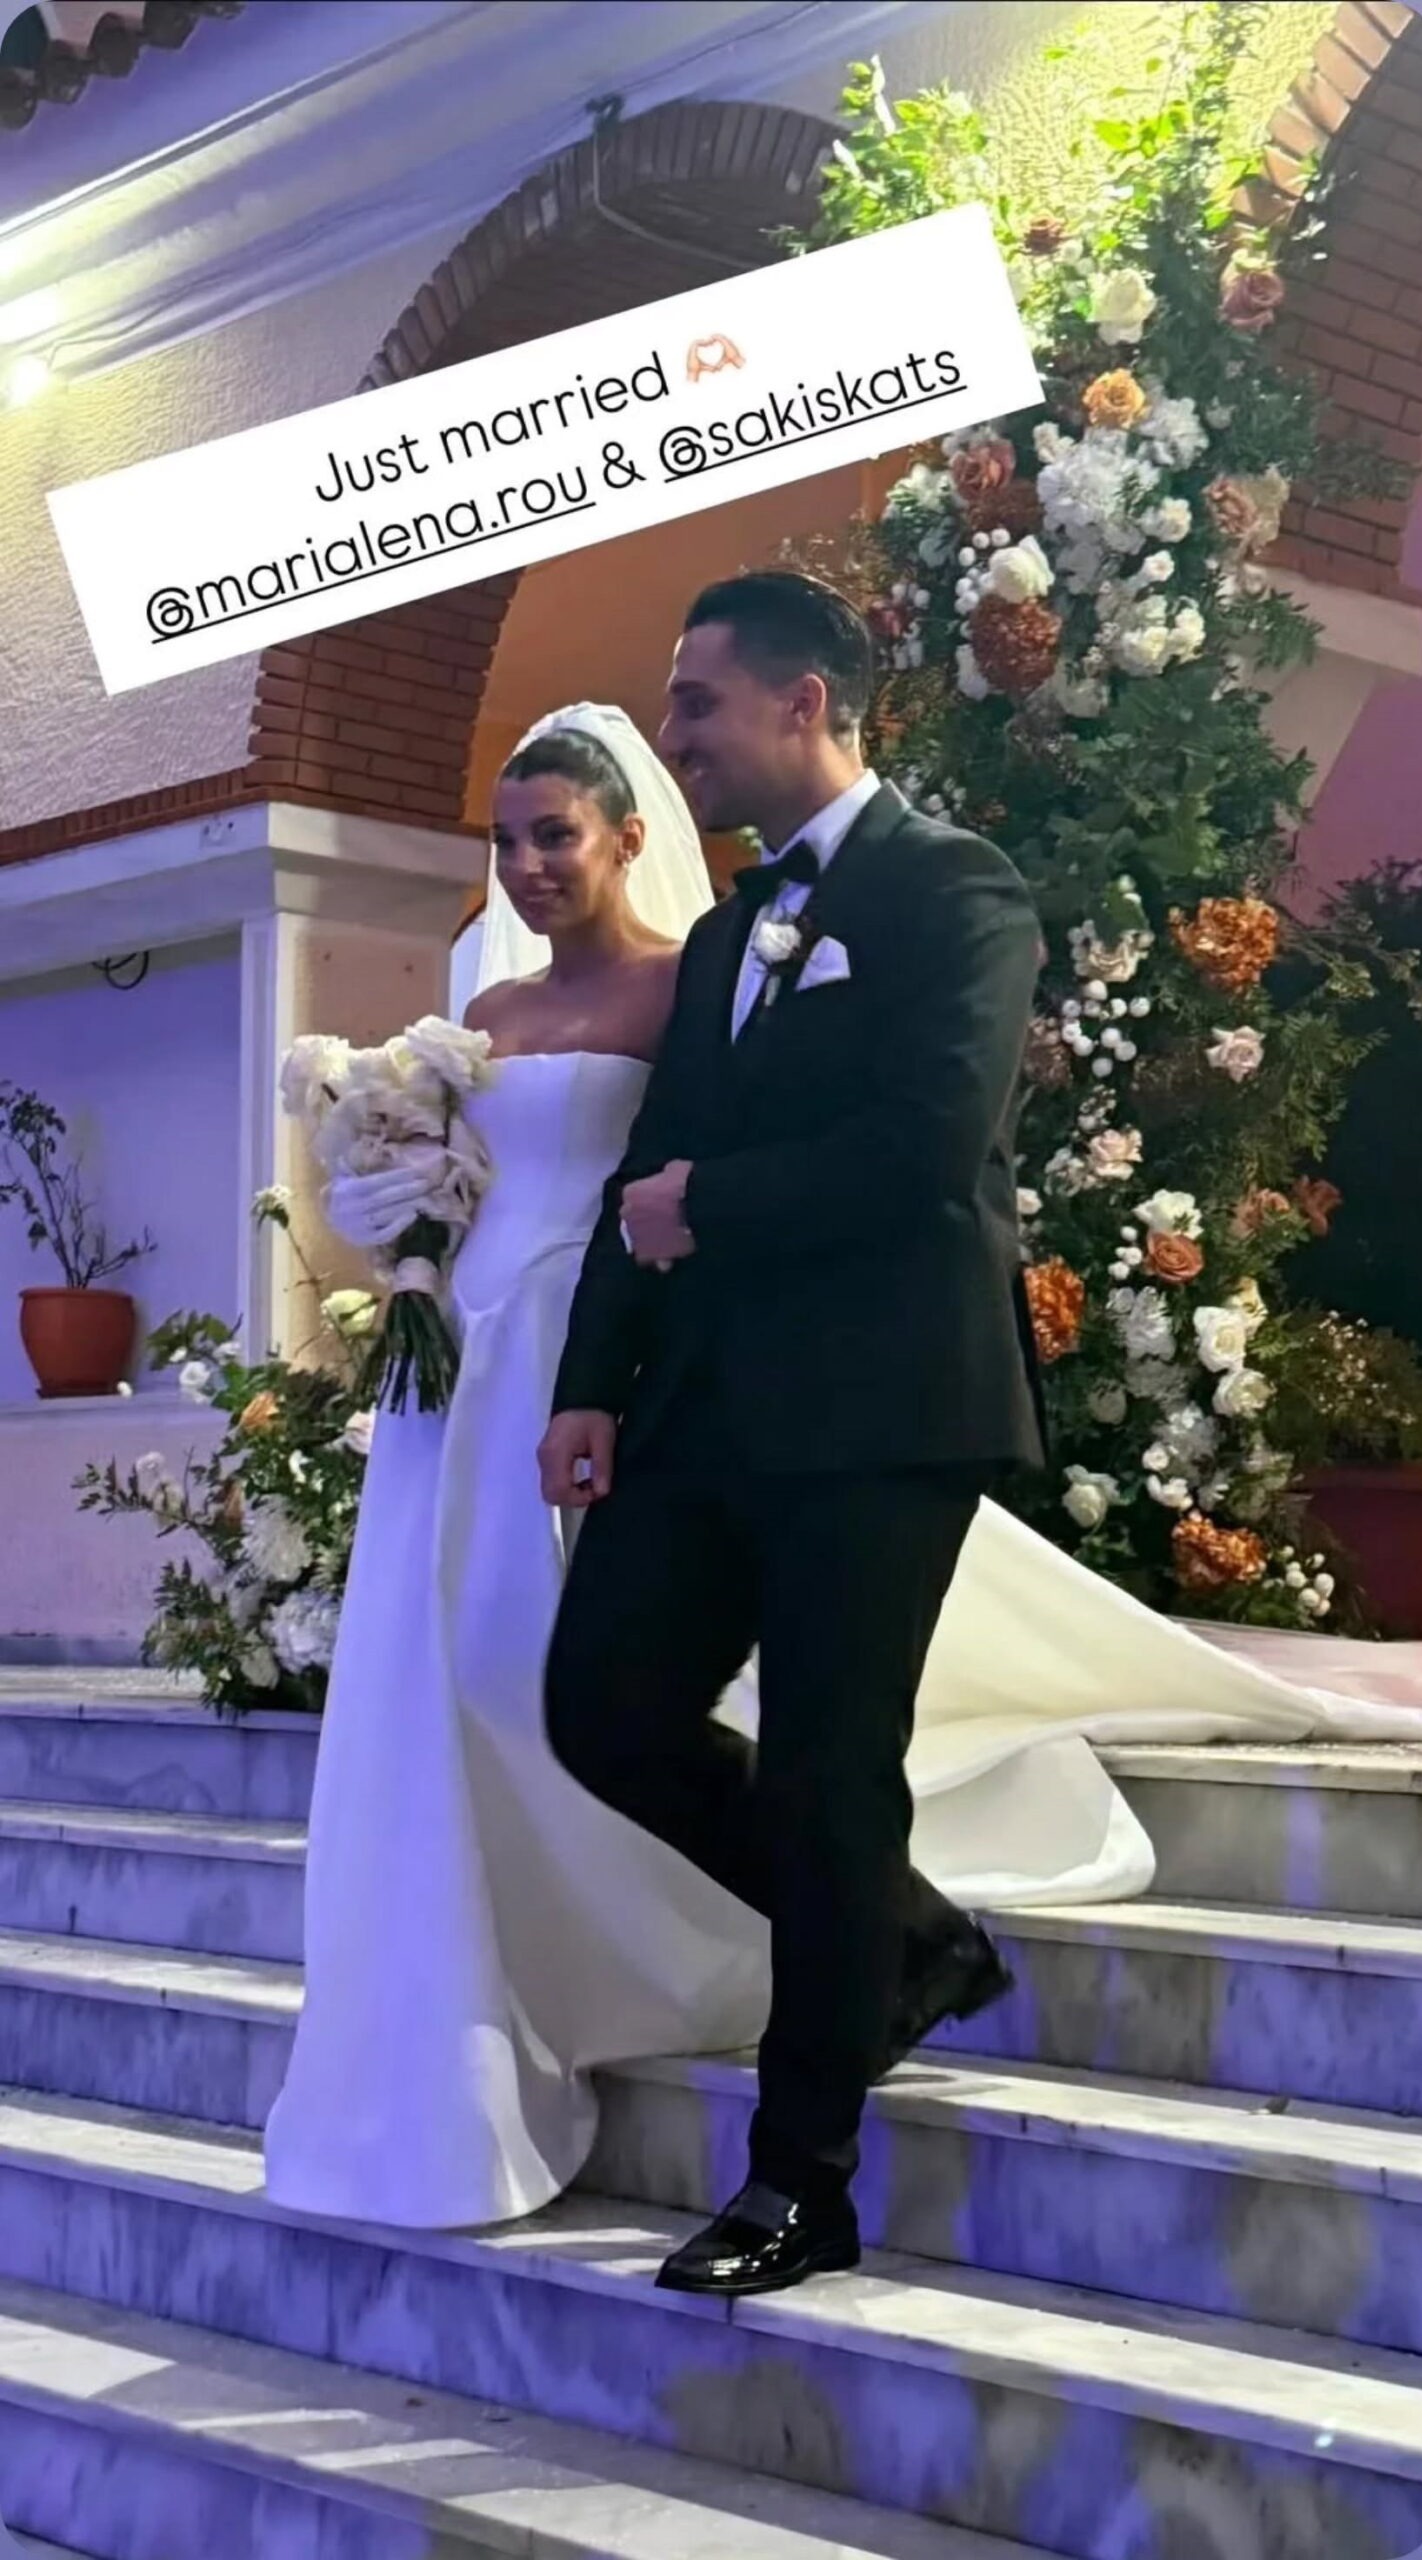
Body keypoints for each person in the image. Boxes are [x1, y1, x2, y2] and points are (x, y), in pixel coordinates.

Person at [539, 569, 1042, 2298]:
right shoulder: (727, 932)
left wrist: (714, 1206)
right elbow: (641, 1175)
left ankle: (800, 2183)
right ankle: (905, 1941)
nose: (672, 733)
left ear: (803, 700)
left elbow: (930, 1143)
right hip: (705, 1408)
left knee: (833, 1770)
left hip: (883, 1406)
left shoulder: (953, 888)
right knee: (600, 1704)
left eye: (695, 701)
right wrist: (590, 1381)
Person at [263, 705, 773, 2229]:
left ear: (628, 837)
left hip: (587, 1349)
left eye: (556, 834)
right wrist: (399, 1220)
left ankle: (629, 1940)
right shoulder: (482, 1011)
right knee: (431, 1656)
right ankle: (454, 1973)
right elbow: (451, 1181)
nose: (529, 864)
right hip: (462, 1355)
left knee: (529, 1657)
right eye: (507, 841)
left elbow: (694, 1178)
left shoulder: (685, 988)